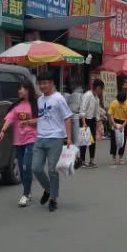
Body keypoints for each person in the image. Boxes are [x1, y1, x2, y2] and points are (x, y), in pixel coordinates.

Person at [31, 72, 73, 212]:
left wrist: (69, 137)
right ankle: (48, 189)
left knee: (52, 170)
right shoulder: (40, 100)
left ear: (51, 83)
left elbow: (67, 117)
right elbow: (43, 118)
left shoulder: (58, 98)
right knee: (36, 168)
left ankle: (53, 198)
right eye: (40, 83)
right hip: (40, 137)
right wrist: (30, 122)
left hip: (55, 137)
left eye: (45, 83)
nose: (42, 86)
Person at [0, 82, 39, 207]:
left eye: (22, 88)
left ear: (28, 90)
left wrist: (27, 122)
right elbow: (9, 119)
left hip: (31, 139)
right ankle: (28, 190)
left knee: (26, 165)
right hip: (18, 141)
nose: (20, 91)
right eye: (19, 89)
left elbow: (40, 120)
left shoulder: (35, 104)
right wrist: (3, 130)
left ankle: (25, 194)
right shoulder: (16, 106)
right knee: (22, 169)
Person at [78, 79, 104, 168]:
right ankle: (82, 160)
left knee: (92, 141)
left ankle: (92, 160)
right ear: (97, 88)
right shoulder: (88, 95)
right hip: (85, 120)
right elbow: (83, 109)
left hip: (92, 120)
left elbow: (97, 111)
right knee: (84, 141)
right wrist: (84, 123)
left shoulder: (96, 97)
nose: (101, 91)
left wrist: (98, 121)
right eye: (101, 89)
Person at [108, 91, 127, 166]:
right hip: (115, 121)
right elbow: (110, 114)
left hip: (123, 122)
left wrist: (124, 125)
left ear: (125, 99)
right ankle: (113, 158)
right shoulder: (114, 103)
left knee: (122, 141)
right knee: (113, 140)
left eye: (122, 101)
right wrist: (113, 123)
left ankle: (121, 158)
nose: (120, 102)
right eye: (119, 101)